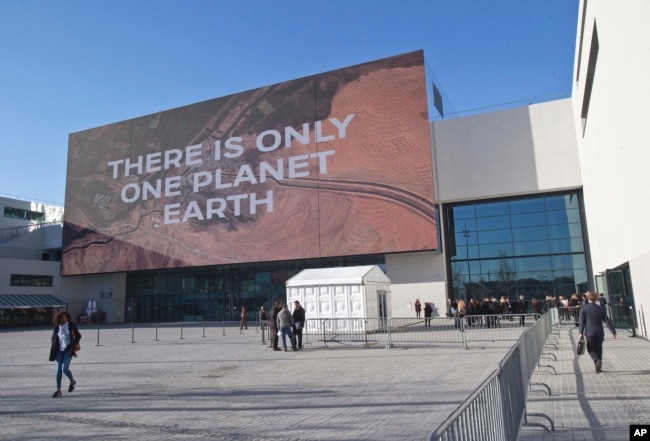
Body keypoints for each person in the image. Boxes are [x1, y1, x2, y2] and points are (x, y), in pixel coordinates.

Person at [579, 291, 617, 373]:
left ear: (588, 298)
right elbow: (607, 321)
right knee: (599, 349)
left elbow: (582, 322)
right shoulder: (601, 308)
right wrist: (613, 332)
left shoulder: (584, 308)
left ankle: (596, 360)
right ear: (596, 299)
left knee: (591, 348)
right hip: (599, 332)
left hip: (589, 332)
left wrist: (580, 333)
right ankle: (598, 365)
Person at [48, 311, 81, 398]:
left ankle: (72, 381)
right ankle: (58, 390)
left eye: (65, 317)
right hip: (59, 350)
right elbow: (54, 338)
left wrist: (74, 343)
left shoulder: (71, 325)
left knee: (64, 368)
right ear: (58, 319)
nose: (64, 319)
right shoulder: (57, 327)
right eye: (62, 317)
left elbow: (78, 335)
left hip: (68, 350)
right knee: (58, 369)